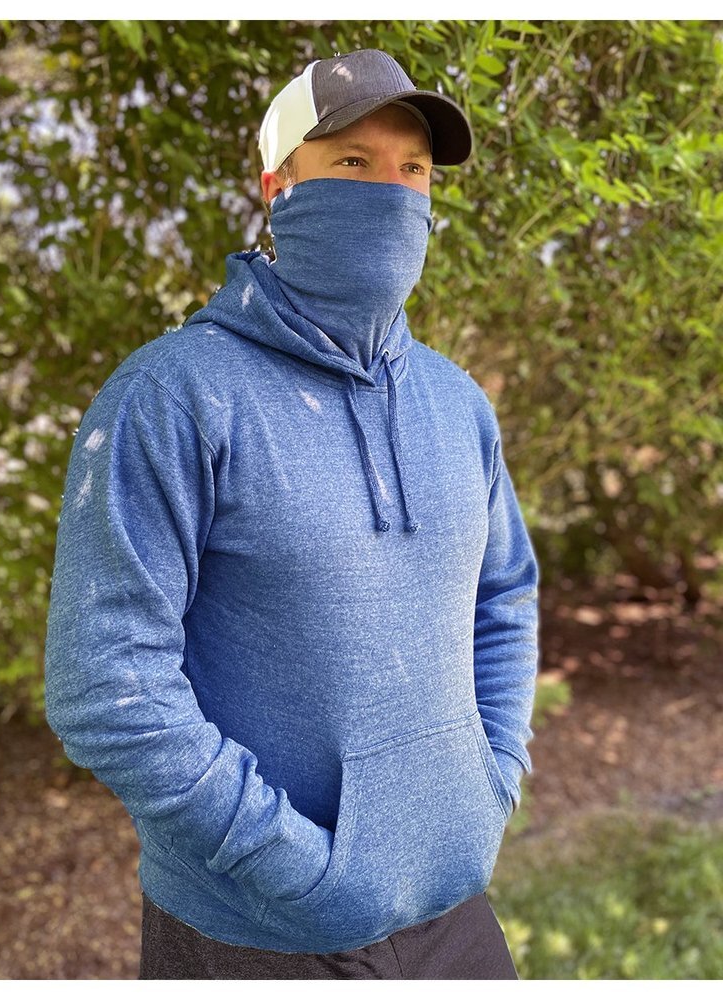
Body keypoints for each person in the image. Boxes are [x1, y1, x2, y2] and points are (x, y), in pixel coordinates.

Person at [44, 47, 539, 980]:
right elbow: (104, 685)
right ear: (278, 186)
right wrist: (301, 874)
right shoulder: (174, 395)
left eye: (413, 169)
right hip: (256, 930)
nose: (391, 192)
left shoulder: (457, 404)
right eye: (352, 161)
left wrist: (493, 781)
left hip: (454, 910)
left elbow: (504, 597)